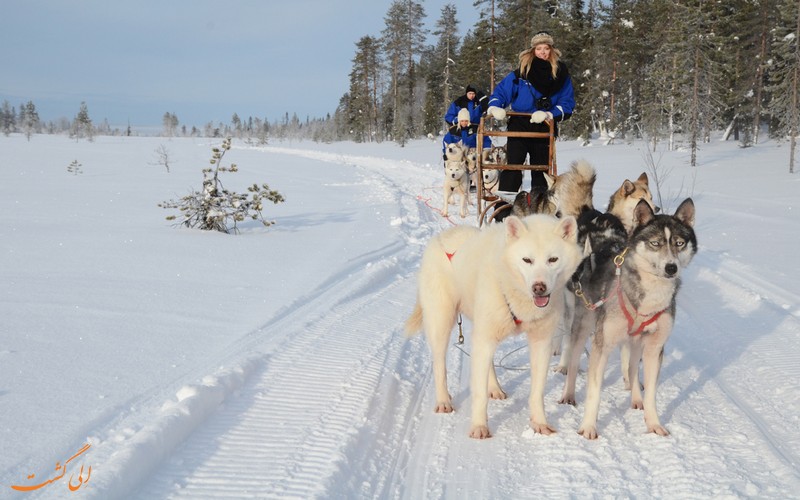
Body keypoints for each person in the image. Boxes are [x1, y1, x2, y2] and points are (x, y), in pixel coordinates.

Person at [486, 31, 575, 193]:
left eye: (546, 48)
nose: (543, 52)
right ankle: (505, 210)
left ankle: (539, 208)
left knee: (541, 170)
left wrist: (550, 114)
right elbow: (501, 92)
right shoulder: (521, 73)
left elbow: (567, 102)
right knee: (513, 167)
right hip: (519, 124)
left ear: (552, 50)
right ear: (533, 51)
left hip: (544, 126)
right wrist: (495, 107)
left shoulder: (561, 75)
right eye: (539, 48)